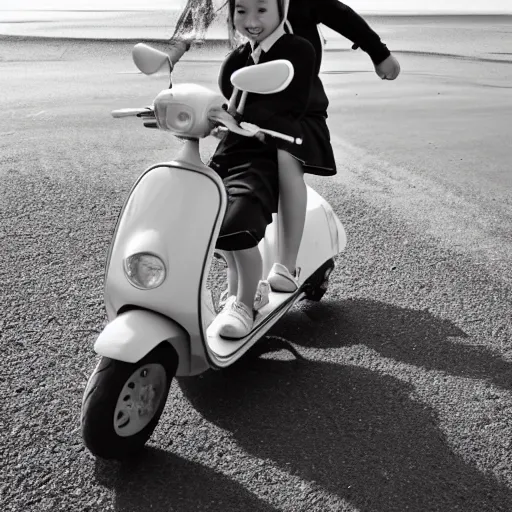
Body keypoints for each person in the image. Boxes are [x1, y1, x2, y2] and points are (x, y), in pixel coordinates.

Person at [166, 0, 400, 292]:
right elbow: (201, 6)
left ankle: (285, 266)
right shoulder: (242, 48)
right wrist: (174, 51)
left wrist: (379, 53)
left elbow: (341, 15)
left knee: (286, 157)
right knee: (224, 169)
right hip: (254, 111)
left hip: (300, 110)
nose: (251, 18)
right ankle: (236, 274)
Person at [208, 0, 317, 339]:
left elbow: (294, 102)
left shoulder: (297, 51)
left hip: (272, 148)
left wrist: (251, 124)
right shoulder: (237, 59)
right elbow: (228, 102)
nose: (251, 21)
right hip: (233, 150)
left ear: (281, 10)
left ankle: (244, 302)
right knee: (207, 215)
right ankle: (247, 287)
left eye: (261, 11)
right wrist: (211, 117)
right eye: (241, 11)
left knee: (237, 221)